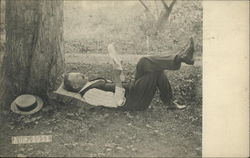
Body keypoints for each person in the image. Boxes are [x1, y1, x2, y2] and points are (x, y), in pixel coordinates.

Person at [63, 37, 195, 111]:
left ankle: (180, 58)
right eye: (77, 76)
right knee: (156, 72)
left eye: (78, 73)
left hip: (133, 89)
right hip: (134, 101)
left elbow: (117, 85)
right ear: (75, 86)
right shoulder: (90, 94)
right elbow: (118, 102)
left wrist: (119, 71)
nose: (81, 74)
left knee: (144, 61)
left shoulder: (92, 83)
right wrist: (117, 77)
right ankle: (169, 102)